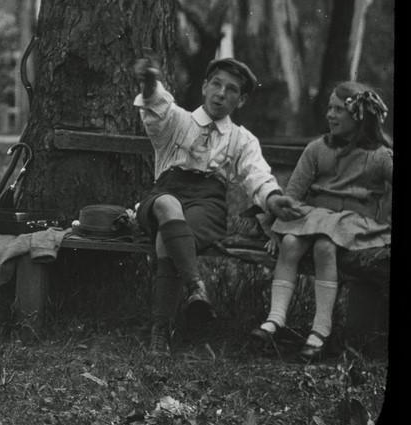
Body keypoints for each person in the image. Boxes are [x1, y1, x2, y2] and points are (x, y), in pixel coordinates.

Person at [132, 53, 302, 356]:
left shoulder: (241, 139)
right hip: (166, 191)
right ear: (204, 87)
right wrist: (148, 84)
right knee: (167, 205)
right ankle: (196, 286)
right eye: (216, 84)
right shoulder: (178, 121)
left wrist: (273, 199)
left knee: (166, 235)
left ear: (242, 100)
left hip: (207, 204)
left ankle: (161, 331)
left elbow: (256, 174)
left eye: (232, 90)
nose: (221, 94)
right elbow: (155, 110)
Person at [251, 82, 392, 361]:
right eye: (329, 108)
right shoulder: (317, 148)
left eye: (339, 110)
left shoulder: (378, 156)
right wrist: (277, 229)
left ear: (359, 117)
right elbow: (293, 193)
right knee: (290, 242)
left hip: (351, 223)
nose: (330, 115)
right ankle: (275, 319)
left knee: (324, 247)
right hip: (313, 216)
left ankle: (320, 330)